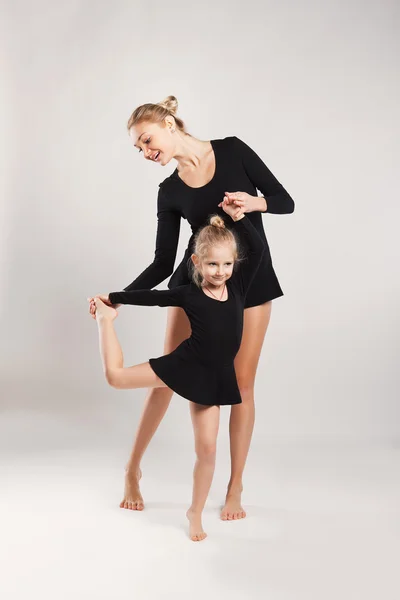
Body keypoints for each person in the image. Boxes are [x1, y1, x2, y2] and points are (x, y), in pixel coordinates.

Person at [89, 95, 294, 520]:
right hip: (194, 286)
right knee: (166, 376)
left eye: (146, 140)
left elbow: (283, 200)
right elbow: (164, 261)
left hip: (251, 282)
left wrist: (251, 204)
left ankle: (235, 487)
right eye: (139, 148)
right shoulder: (170, 190)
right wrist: (120, 296)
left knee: (242, 383)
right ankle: (132, 469)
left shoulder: (234, 150)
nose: (146, 152)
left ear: (168, 123)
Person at [89, 200, 265, 541]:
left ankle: (194, 512)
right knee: (115, 377)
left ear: (235, 263)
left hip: (212, 380)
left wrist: (241, 217)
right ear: (196, 263)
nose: (220, 271)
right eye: (212, 264)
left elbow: (256, 247)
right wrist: (110, 298)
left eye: (227, 264)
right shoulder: (189, 294)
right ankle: (103, 322)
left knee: (208, 450)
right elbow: (151, 297)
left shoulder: (239, 288)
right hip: (183, 366)